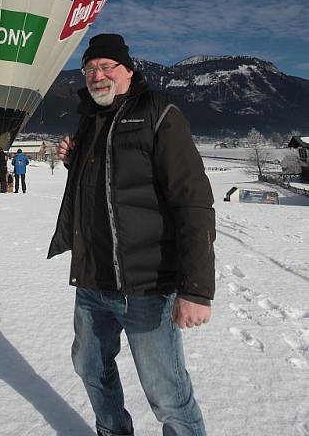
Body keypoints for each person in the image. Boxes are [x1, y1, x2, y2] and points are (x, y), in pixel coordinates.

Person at [47, 33, 215, 436]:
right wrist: (75, 162)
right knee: (90, 369)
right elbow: (109, 185)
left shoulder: (159, 112)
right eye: (90, 69)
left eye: (107, 67)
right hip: (92, 282)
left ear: (129, 71)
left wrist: (196, 289)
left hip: (146, 287)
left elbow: (192, 200)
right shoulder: (89, 121)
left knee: (167, 394)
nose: (98, 75)